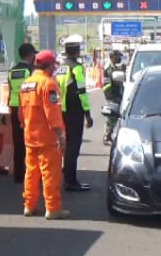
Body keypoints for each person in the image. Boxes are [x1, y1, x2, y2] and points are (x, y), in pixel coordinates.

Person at [19, 50, 69, 220]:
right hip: (47, 138)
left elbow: (21, 113)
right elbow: (53, 113)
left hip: (29, 136)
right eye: (53, 65)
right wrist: (60, 135)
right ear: (48, 66)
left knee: (31, 173)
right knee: (50, 173)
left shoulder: (26, 84)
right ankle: (53, 208)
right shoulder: (48, 84)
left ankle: (29, 205)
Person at [56, 36, 93, 192]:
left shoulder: (61, 68)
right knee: (73, 148)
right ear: (77, 52)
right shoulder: (77, 68)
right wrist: (87, 114)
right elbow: (81, 91)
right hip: (74, 112)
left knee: (67, 146)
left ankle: (67, 179)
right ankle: (71, 182)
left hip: (62, 111)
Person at [8, 43, 37, 183]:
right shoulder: (31, 70)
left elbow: (10, 88)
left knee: (18, 143)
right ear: (30, 54)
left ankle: (18, 175)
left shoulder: (12, 71)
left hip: (14, 108)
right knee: (31, 143)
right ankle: (31, 175)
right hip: (28, 109)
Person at [102, 50, 124, 145]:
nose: (120, 58)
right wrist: (110, 96)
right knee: (111, 116)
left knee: (115, 116)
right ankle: (106, 136)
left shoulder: (115, 67)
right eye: (118, 56)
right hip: (112, 95)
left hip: (117, 94)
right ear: (113, 57)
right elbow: (107, 84)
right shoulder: (109, 68)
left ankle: (110, 135)